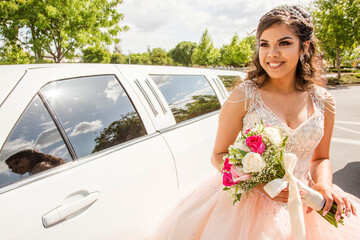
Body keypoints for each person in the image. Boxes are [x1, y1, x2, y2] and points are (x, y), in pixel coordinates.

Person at [149, 5, 360, 240]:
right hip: (247, 211)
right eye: (264, 44)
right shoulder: (244, 95)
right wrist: (261, 185)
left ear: (305, 47)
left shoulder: (323, 101)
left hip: (305, 202)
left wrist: (323, 185)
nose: (272, 53)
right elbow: (218, 155)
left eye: (284, 43)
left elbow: (321, 158)